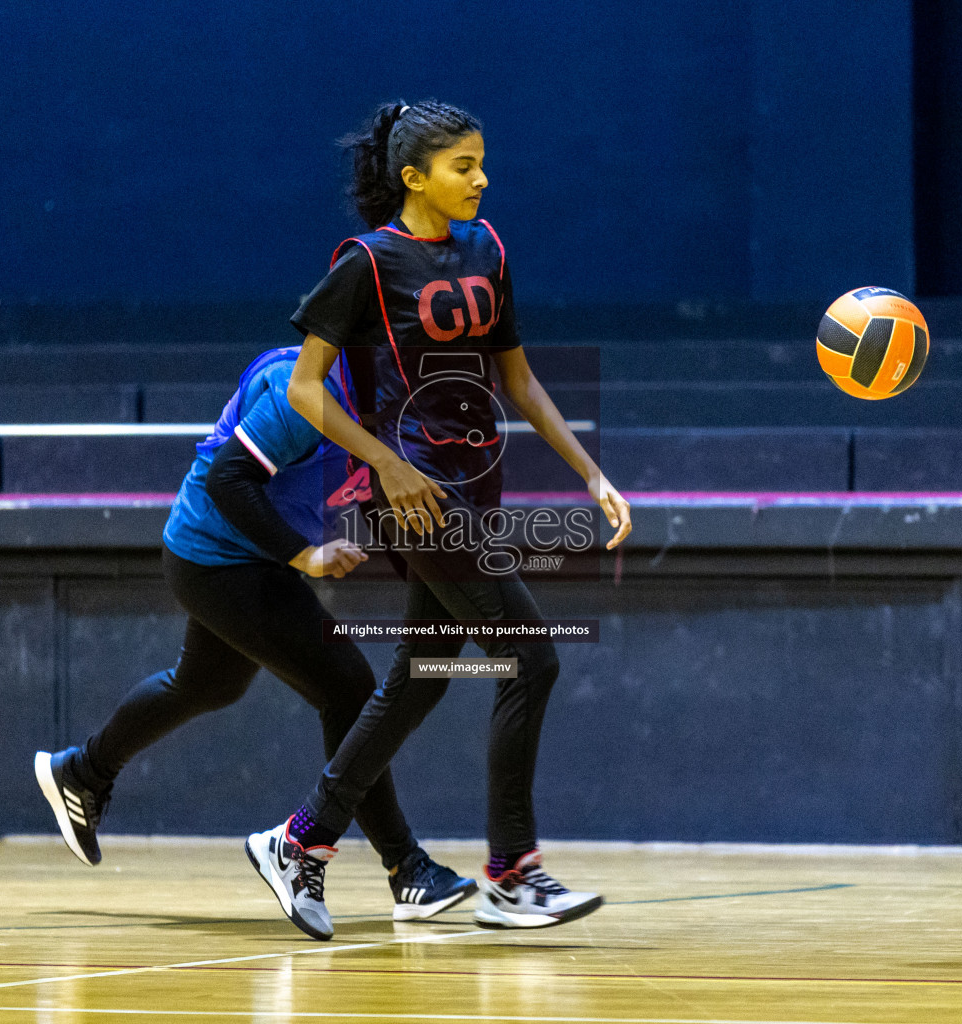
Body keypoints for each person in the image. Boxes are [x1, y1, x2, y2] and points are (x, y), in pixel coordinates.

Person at [245, 100, 632, 940]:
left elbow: (520, 383)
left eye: (484, 162)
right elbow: (307, 390)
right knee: (530, 661)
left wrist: (592, 475)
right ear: (413, 177)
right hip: (415, 498)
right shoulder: (365, 264)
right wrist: (385, 463)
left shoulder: (488, 249)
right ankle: (511, 873)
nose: (483, 179)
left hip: (475, 487)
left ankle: (298, 840)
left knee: (421, 676)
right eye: (464, 166)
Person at [35, 344, 475, 922]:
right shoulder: (305, 393)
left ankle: (81, 773)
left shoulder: (389, 402)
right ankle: (406, 869)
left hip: (249, 553)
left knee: (207, 684)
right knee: (346, 685)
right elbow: (228, 480)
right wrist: (305, 556)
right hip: (216, 556)